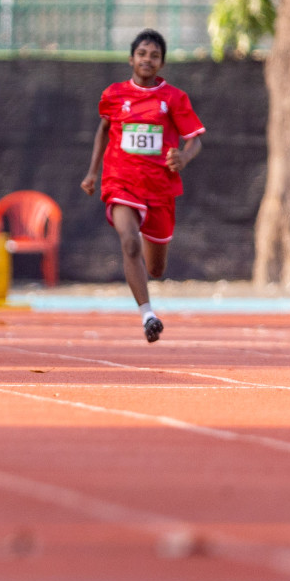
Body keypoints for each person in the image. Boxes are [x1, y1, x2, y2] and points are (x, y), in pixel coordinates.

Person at [80, 29, 205, 344]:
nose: (147, 60)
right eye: (142, 54)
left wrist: (183, 158)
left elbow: (195, 140)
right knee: (129, 242)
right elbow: (103, 130)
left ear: (161, 63)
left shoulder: (173, 98)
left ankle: (147, 283)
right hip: (121, 181)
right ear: (131, 58)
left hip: (160, 188)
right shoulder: (114, 95)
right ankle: (148, 315)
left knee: (156, 267)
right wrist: (92, 172)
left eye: (154, 55)